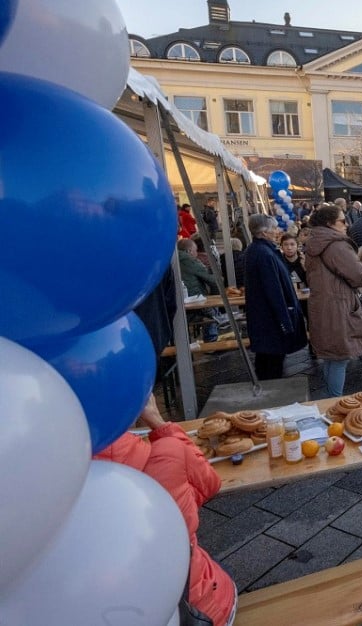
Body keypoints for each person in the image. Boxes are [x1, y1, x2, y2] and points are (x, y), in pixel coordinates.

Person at [95, 394, 236, 626]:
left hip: (102, 612)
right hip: (198, 612)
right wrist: (159, 423)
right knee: (213, 569)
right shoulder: (165, 451)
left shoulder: (37, 478)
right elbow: (209, 483)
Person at [304, 203, 362, 397]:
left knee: (331, 357)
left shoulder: (314, 241)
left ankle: (331, 399)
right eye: (342, 221)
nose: (346, 225)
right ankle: (334, 402)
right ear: (330, 223)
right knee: (339, 357)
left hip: (322, 305)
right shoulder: (336, 244)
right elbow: (358, 276)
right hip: (339, 306)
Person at [244, 214, 308, 379]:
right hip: (270, 320)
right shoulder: (264, 254)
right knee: (271, 364)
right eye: (273, 228)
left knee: (268, 360)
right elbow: (273, 289)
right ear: (264, 233)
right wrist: (285, 320)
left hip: (265, 319)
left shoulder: (260, 250)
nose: (276, 231)